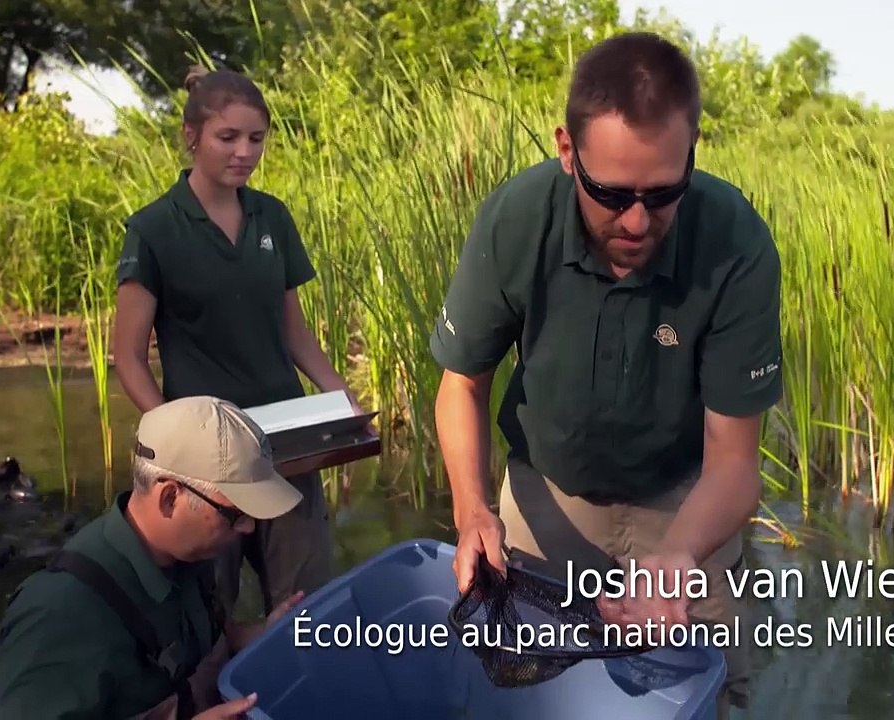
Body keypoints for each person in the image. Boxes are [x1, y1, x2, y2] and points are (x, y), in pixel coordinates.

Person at [430, 32, 781, 717]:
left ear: (693, 151)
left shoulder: (735, 243)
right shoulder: (515, 220)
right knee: (537, 689)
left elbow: (736, 463)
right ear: (567, 151)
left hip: (687, 503)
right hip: (548, 498)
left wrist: (678, 557)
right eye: (611, 193)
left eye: (663, 192)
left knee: (705, 692)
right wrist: (472, 511)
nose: (637, 220)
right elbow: (461, 384)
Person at [112, 64, 361, 615]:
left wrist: (340, 397)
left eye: (256, 139)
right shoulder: (153, 229)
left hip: (286, 443)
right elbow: (127, 356)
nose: (244, 151)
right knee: (209, 612)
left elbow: (292, 329)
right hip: (205, 456)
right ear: (191, 136)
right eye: (228, 137)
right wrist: (171, 442)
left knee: (308, 605)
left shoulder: (273, 217)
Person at [0, 395, 306, 719]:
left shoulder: (190, 554)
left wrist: (261, 636)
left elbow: (212, 638)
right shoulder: (60, 614)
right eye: (235, 513)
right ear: (170, 497)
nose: (249, 527)